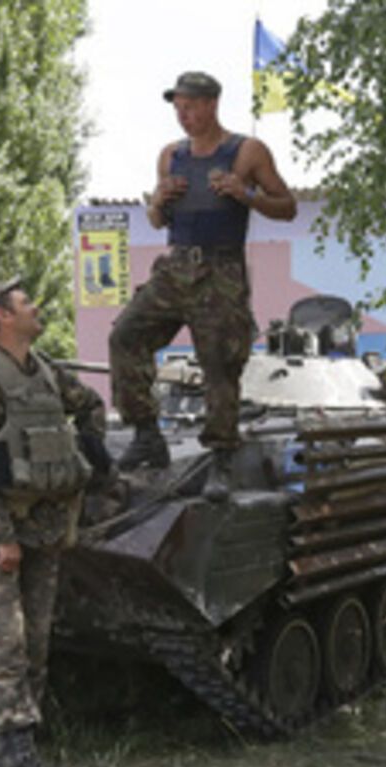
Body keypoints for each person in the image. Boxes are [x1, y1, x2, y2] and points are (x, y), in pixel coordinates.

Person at [0, 278, 107, 767]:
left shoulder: (45, 371)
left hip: (44, 528)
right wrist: (0, 535)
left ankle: (13, 746)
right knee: (6, 644)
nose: (35, 307)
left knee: (35, 641)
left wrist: (89, 462)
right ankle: (16, 757)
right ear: (1, 317)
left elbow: (90, 407)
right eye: (24, 302)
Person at [109, 70, 297, 500]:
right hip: (175, 267)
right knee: (126, 336)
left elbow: (286, 207)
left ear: (211, 104)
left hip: (220, 271)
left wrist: (244, 193)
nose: (183, 115)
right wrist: (159, 201)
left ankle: (221, 458)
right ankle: (146, 435)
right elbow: (158, 222)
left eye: (189, 106)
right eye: (177, 108)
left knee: (219, 363)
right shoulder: (171, 155)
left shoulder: (245, 151)